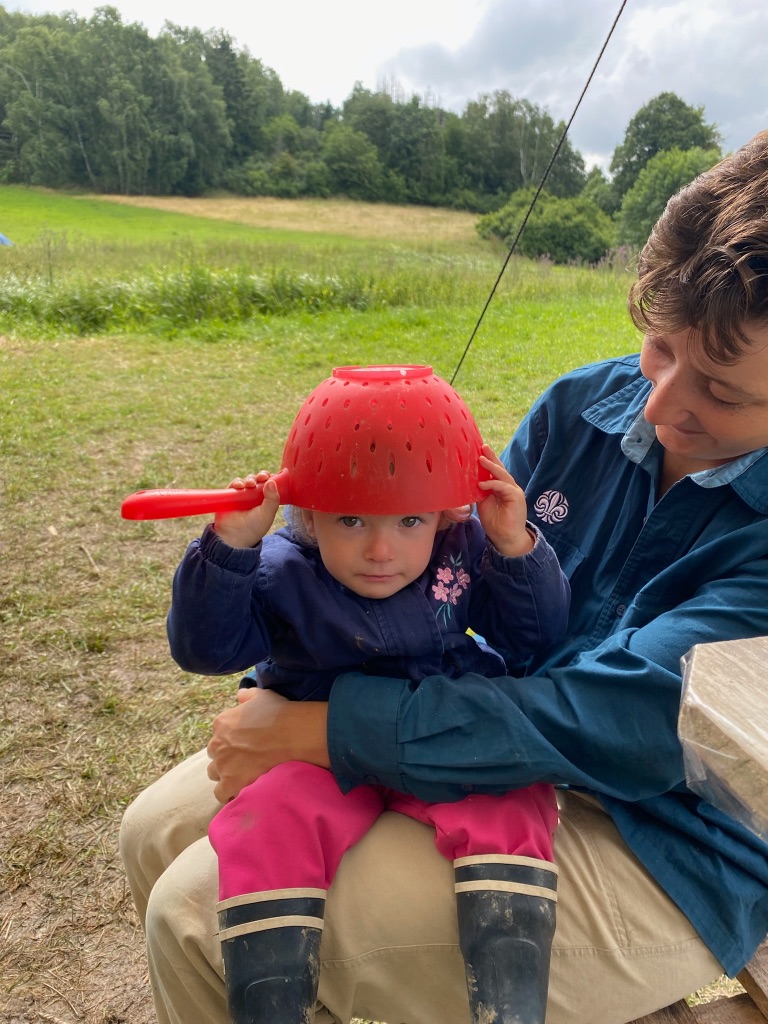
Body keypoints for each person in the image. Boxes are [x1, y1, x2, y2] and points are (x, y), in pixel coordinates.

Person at [120, 129, 768, 1024]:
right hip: (465, 730)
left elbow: (627, 724)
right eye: (658, 346)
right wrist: (301, 600)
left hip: (660, 831)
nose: (658, 403)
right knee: (153, 833)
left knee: (193, 921)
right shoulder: (583, 405)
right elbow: (445, 578)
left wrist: (329, 728)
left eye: (723, 392)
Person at [164, 364, 569, 1024]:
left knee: (510, 799)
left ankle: (511, 1003)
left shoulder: (461, 549)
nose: (381, 549)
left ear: (444, 513)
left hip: (440, 731)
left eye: (410, 520)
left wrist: (513, 545)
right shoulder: (279, 569)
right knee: (266, 822)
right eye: (350, 519)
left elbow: (534, 634)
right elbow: (204, 649)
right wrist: (229, 548)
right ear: (307, 512)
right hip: (315, 747)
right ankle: (271, 1003)